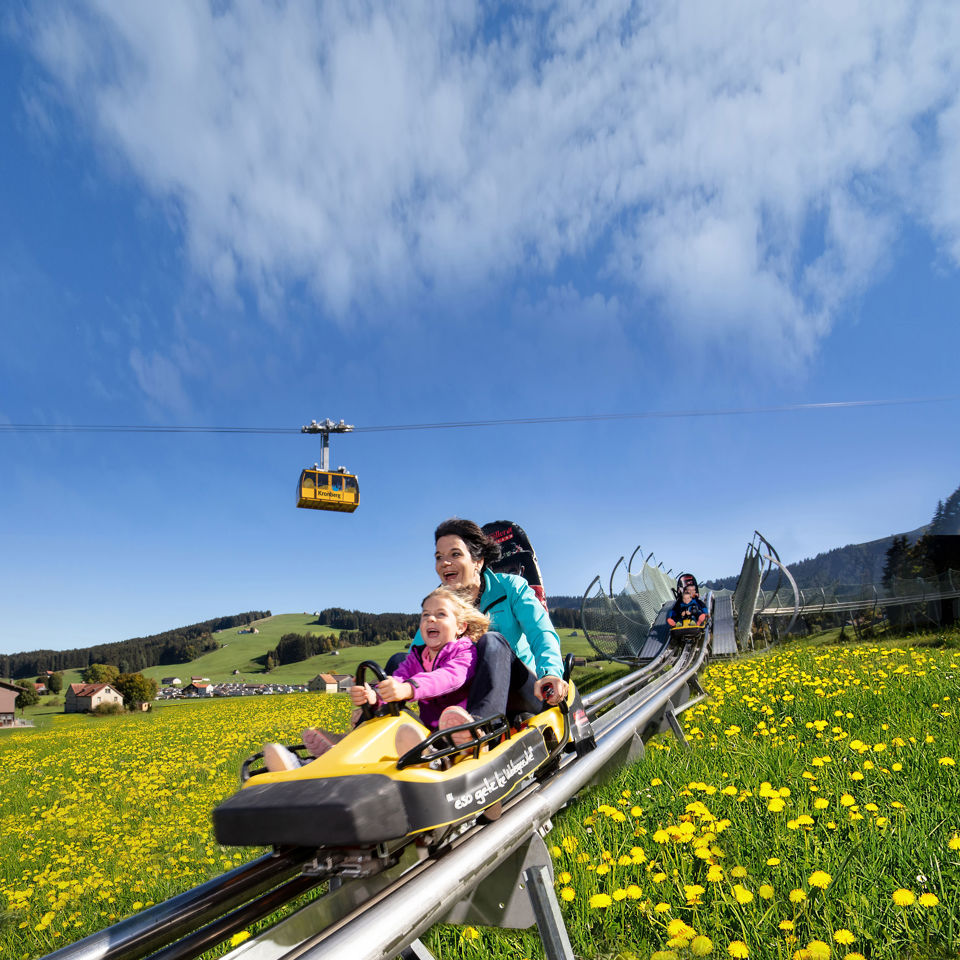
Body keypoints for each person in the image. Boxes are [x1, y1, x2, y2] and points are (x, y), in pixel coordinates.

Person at [262, 586, 486, 771]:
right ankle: (315, 764)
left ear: (460, 626)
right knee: (390, 717)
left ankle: (440, 759)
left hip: (457, 731)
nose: (431, 620)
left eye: (440, 614)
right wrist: (374, 695)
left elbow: (448, 678)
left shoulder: (464, 652)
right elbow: (395, 680)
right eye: (425, 615)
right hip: (426, 732)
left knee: (441, 721)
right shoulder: (417, 657)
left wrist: (409, 689)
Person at [418, 518, 568, 740]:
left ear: (478, 561)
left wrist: (551, 673)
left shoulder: (510, 588)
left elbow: (541, 633)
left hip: (522, 690)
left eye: (455, 554)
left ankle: (480, 731)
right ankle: (381, 730)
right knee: (400, 659)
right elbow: (418, 653)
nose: (444, 563)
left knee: (491, 641)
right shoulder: (439, 606)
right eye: (439, 557)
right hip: (465, 698)